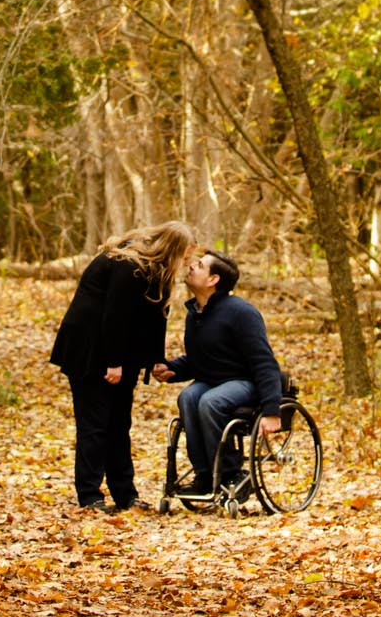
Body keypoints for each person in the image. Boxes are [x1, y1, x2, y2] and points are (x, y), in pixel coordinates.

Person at [49, 220, 197, 513]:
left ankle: (124, 494)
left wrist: (156, 359)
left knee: (119, 424)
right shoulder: (127, 266)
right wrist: (113, 362)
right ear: (172, 250)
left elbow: (156, 317)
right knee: (95, 424)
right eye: (185, 257)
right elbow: (113, 317)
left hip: (122, 354)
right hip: (90, 351)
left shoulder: (155, 272)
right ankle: (90, 495)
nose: (186, 265)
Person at [151, 249, 284, 498]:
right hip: (213, 381)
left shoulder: (242, 313)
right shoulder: (196, 314)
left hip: (246, 382)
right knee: (189, 397)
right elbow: (200, 359)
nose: (191, 267)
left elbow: (264, 362)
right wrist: (172, 369)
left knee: (210, 401)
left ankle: (231, 472)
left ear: (213, 280)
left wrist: (271, 410)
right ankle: (204, 474)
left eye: (199, 265)